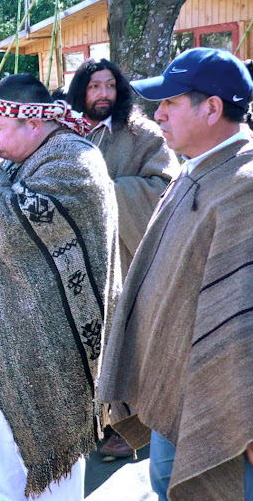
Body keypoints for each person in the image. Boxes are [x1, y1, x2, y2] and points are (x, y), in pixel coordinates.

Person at [98, 47, 253, 501]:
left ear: (211, 109)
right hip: (183, 393)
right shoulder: (199, 169)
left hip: (235, 411)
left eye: (170, 102)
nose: (157, 113)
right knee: (175, 496)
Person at [0, 73, 119, 501]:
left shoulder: (75, 161)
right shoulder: (16, 156)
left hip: (52, 337)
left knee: (51, 438)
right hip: (1, 327)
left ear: (33, 124)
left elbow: (16, 228)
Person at [67, 58, 179, 459]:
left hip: (126, 256)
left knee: (126, 338)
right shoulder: (67, 134)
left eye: (109, 86)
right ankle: (92, 420)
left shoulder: (143, 135)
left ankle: (129, 425)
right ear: (81, 91)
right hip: (77, 259)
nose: (102, 94)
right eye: (94, 86)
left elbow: (163, 187)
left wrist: (104, 192)